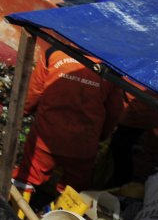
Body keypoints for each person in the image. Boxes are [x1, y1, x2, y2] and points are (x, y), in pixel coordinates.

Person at [14, 42, 125, 200]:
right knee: (73, 191)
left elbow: (33, 92)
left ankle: (14, 214)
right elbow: (114, 111)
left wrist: (23, 112)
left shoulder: (53, 53)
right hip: (83, 145)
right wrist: (100, 136)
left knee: (28, 177)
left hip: (46, 138)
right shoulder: (111, 69)